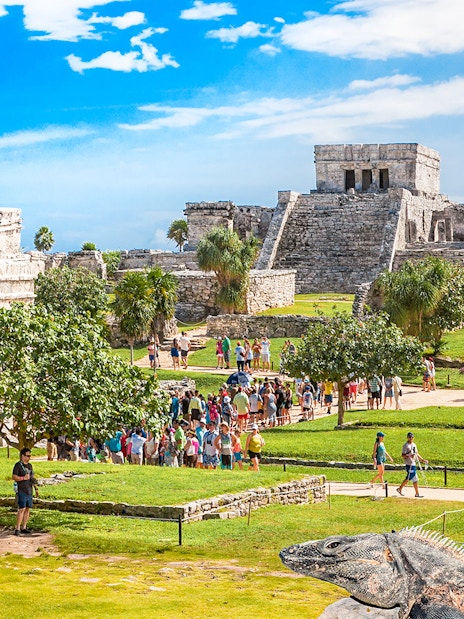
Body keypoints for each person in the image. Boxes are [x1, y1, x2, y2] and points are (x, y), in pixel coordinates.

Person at [12, 447, 39, 536]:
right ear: (22, 456)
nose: (29, 457)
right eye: (27, 456)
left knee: (27, 509)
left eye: (30, 456)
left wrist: (36, 488)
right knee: (21, 509)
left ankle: (24, 527)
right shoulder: (18, 465)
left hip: (29, 490)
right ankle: (17, 528)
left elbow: (32, 478)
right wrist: (23, 478)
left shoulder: (30, 466)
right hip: (22, 489)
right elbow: (14, 477)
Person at [396, 432, 428, 498]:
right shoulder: (405, 445)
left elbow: (416, 454)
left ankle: (417, 493)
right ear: (407, 438)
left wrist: (422, 460)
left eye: (412, 437)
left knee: (415, 479)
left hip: (413, 463)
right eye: (410, 437)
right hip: (409, 464)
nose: (411, 438)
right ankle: (400, 488)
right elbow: (403, 455)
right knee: (409, 477)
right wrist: (409, 455)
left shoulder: (414, 445)